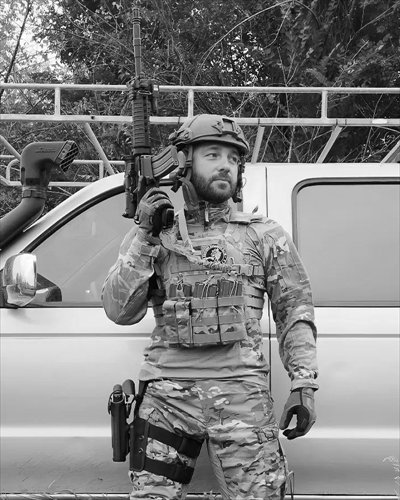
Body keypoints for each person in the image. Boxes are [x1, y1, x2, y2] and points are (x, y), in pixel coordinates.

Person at [102, 114, 318, 500]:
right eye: (213, 155)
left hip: (242, 395)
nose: (225, 165)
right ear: (184, 163)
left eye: (233, 159)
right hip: (166, 398)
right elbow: (119, 311)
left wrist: (304, 383)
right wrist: (146, 236)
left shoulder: (263, 234)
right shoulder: (155, 234)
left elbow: (294, 310)